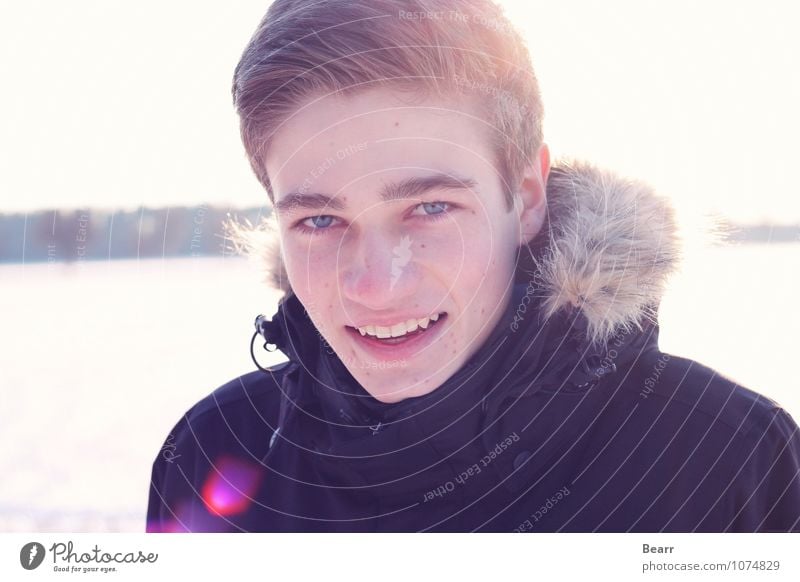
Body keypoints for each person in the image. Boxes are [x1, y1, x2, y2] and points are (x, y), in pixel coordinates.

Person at [146, 0, 800, 532]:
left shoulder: (728, 458)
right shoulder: (210, 455)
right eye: (320, 220)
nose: (377, 284)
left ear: (527, 196)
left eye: (429, 208)